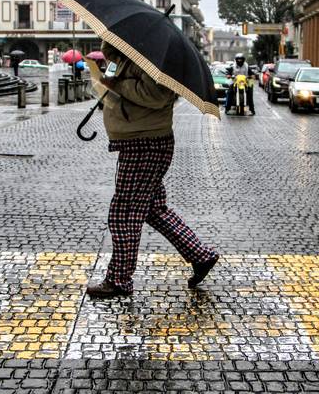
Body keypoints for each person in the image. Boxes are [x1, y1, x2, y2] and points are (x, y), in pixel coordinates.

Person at [86, 41, 219, 298]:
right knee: (153, 209)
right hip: (140, 140)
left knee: (124, 213)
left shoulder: (155, 61)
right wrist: (112, 41)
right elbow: (113, 58)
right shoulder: (133, 51)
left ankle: (119, 280)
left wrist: (117, 84)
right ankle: (200, 255)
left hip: (144, 143)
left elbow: (154, 95)